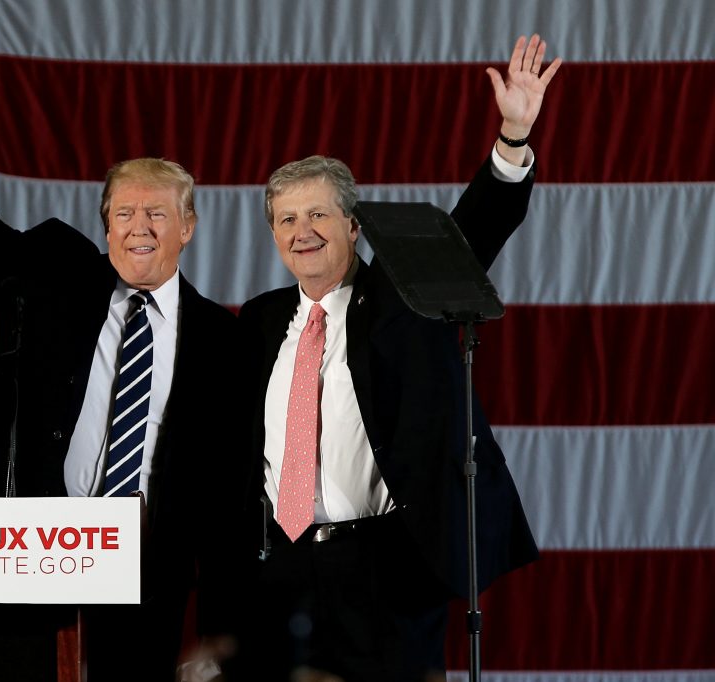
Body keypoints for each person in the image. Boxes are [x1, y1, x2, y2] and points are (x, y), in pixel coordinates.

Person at [0, 37, 250, 682]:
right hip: (18, 560)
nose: (139, 226)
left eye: (157, 213)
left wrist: (220, 635)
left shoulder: (222, 340)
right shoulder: (52, 274)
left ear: (188, 226)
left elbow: (224, 497)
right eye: (124, 212)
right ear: (106, 225)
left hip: (144, 585)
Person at [235, 35, 562, 681]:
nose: (302, 231)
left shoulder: (402, 295)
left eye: (319, 214)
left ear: (353, 226)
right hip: (280, 567)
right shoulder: (260, 318)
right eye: (287, 219)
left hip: (382, 567)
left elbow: (476, 228)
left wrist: (513, 138)